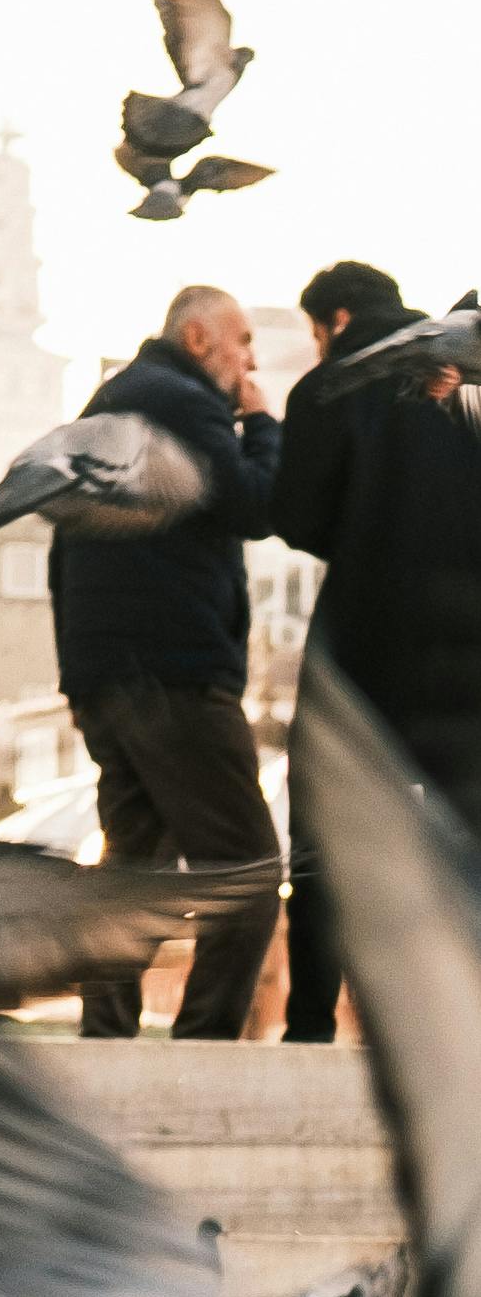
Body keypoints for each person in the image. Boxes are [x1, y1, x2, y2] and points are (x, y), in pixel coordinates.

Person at [48, 282, 283, 1039]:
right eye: (242, 342)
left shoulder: (111, 403)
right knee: (246, 871)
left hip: (103, 674)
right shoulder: (181, 403)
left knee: (132, 871)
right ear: (197, 339)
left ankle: (106, 1040)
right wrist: (262, 424)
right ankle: (204, 1045)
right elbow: (254, 504)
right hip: (172, 670)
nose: (250, 361)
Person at [276, 259, 481, 1040]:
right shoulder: (463, 371)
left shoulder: (325, 388)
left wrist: (361, 524)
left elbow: (296, 518)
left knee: (328, 830)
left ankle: (309, 1024)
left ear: (331, 321)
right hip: (464, 637)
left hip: (363, 635)